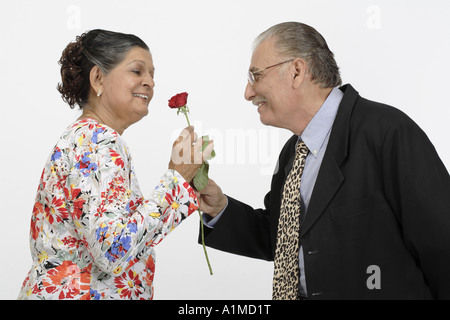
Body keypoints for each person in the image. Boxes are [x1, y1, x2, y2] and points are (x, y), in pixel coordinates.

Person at [197, 22, 450, 299]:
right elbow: (283, 238)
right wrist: (219, 208)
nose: (248, 92)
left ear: (296, 71)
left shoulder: (387, 133)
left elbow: (442, 246)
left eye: (255, 76)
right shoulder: (292, 152)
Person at [18, 29, 213, 300]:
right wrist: (176, 181)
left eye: (152, 75)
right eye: (137, 71)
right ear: (98, 78)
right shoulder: (97, 139)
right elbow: (113, 250)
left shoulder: (87, 136)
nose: (150, 83)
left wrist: (184, 184)